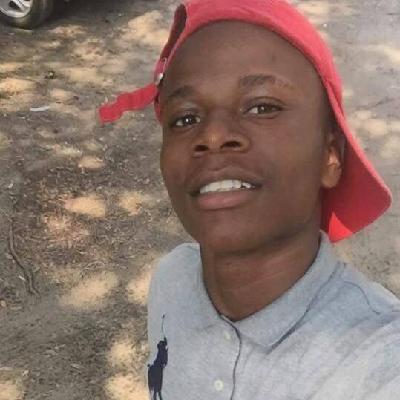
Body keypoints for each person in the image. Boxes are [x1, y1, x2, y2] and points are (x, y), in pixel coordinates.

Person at [99, 1, 398, 399]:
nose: (213, 135)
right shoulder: (171, 282)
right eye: (185, 118)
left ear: (330, 156)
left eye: (262, 107)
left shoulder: (376, 366)